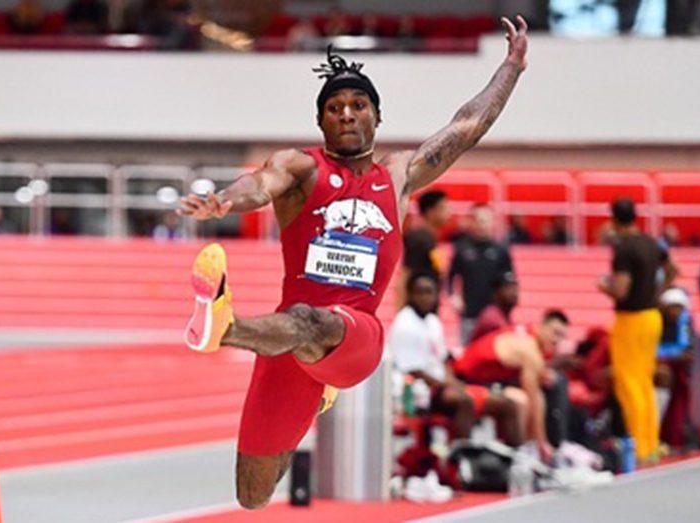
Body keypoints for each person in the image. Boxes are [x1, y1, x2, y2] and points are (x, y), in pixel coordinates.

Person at [177, 17, 529, 510]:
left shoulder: (398, 174)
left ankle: (222, 326)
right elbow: (259, 185)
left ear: (376, 118)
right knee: (253, 494)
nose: (346, 114)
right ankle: (314, 389)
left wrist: (510, 68)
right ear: (321, 122)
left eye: (358, 105)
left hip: (357, 334)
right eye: (334, 108)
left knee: (310, 319)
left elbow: (466, 127)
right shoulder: (301, 168)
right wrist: (223, 203)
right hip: (289, 337)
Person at [391, 273, 523, 445]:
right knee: (464, 400)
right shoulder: (404, 324)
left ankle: (513, 459)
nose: (426, 298)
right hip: (418, 391)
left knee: (507, 404)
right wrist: (447, 384)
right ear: (410, 294)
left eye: (430, 292)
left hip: (443, 385)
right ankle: (461, 458)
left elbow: (444, 358)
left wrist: (452, 380)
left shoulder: (433, 321)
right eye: (421, 292)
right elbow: (411, 369)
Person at [597, 197, 677, 463]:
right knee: (644, 382)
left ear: (613, 219)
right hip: (652, 316)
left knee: (628, 383)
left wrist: (603, 287)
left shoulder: (624, 249)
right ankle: (651, 443)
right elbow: (673, 269)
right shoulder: (651, 243)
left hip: (631, 319)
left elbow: (621, 290)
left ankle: (639, 448)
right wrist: (657, 292)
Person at [452, 310, 571, 461]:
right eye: (555, 333)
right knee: (522, 400)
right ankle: (524, 455)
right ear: (542, 326)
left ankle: (530, 451)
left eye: (562, 337)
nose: (556, 341)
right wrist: (542, 442)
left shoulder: (529, 337)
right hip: (463, 380)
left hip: (486, 379)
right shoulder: (529, 349)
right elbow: (534, 397)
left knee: (534, 392)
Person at [447, 203, 514, 346]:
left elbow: (510, 281)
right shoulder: (462, 249)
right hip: (470, 314)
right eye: (478, 220)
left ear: (492, 221)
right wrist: (453, 296)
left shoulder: (501, 250)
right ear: (472, 222)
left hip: (495, 315)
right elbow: (450, 276)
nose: (482, 224)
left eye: (486, 220)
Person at [655, 287, 696, 450]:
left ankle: (678, 433)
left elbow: (688, 349)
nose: (676, 312)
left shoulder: (685, 322)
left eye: (680, 308)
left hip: (679, 368)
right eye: (673, 307)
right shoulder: (654, 321)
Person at [399, 189, 449, 306]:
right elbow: (406, 274)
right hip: (415, 309)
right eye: (443, 208)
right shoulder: (419, 238)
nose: (448, 212)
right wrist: (401, 310)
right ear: (430, 212)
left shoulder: (432, 238)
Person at [469, 271, 518, 343]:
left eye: (514, 287)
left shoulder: (505, 316)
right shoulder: (491, 317)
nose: (513, 292)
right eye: (507, 287)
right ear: (496, 293)